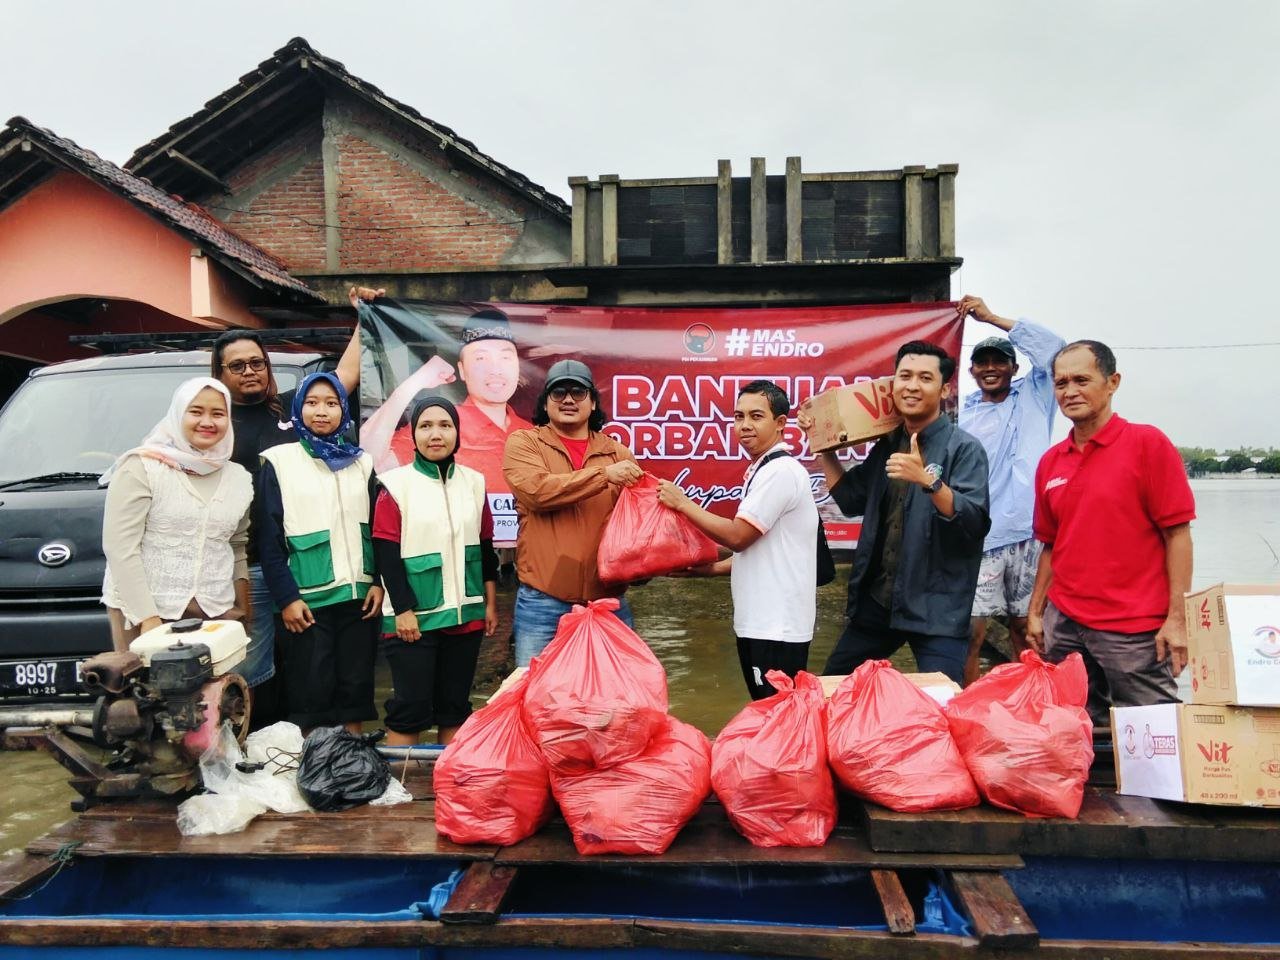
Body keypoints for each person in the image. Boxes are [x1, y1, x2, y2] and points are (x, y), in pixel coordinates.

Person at [801, 341, 990, 685]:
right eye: (904, 376)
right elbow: (850, 498)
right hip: (879, 603)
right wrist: (821, 443)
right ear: (893, 384)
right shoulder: (888, 444)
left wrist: (929, 482)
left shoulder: (964, 448)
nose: (912, 386)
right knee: (832, 689)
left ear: (944, 389)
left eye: (924, 378)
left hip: (936, 608)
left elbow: (973, 522)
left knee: (943, 706)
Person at [1026, 340, 1194, 723]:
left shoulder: (1147, 444)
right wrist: (1036, 612)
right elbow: (1051, 546)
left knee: (1157, 731)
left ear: (1113, 382)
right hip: (1065, 623)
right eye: (1061, 383)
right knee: (1074, 729)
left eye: (1082, 380)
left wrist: (1177, 619)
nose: (1070, 392)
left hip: (1134, 628)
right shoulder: (1051, 462)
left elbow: (1178, 536)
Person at [212, 307, 363, 713]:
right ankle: (246, 755)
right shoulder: (216, 424)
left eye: (257, 363)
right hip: (247, 566)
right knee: (249, 668)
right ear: (220, 374)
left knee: (302, 670)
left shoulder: (293, 412)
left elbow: (344, 378)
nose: (249, 371)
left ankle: (286, 752)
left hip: (299, 566)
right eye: (238, 365)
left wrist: (366, 315)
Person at [656, 380, 818, 700]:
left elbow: (738, 537)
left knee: (776, 718)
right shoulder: (763, 469)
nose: (744, 425)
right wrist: (708, 568)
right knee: (771, 716)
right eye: (738, 416)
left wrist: (683, 503)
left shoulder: (780, 472)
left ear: (781, 423)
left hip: (775, 627)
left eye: (756, 416)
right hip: (761, 622)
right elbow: (758, 551)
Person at [256, 372, 382, 734]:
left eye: (331, 403)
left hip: (360, 597)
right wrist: (288, 599)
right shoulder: (279, 461)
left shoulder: (363, 463)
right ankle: (316, 767)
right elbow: (269, 539)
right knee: (311, 689)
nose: (322, 412)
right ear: (298, 409)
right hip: (307, 602)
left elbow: (378, 529)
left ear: (344, 410)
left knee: (355, 688)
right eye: (312, 403)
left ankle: (352, 765)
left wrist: (378, 582)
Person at [372, 397, 499, 745]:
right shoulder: (395, 486)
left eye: (445, 425)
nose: (436, 434)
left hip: (465, 615)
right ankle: (402, 792)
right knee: (410, 707)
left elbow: (485, 546)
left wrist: (489, 603)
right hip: (414, 619)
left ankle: (444, 788)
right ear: (413, 435)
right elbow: (386, 553)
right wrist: (403, 610)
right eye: (426, 426)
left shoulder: (474, 482)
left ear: (457, 433)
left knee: (454, 706)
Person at [502, 360, 643, 666]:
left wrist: (647, 562)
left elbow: (636, 524)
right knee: (535, 698)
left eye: (578, 392)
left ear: (593, 403)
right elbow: (538, 492)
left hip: (608, 602)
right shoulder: (524, 443)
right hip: (542, 603)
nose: (568, 400)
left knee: (616, 701)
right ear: (545, 403)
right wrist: (604, 476)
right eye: (559, 392)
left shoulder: (617, 453)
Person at [956, 295, 1065, 685]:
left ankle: (1034, 707)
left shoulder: (1036, 395)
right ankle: (967, 708)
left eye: (999, 361)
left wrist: (990, 318)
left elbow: (1055, 348)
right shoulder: (961, 414)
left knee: (1028, 627)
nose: (990, 368)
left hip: (1032, 536)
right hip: (982, 538)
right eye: (982, 362)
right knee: (970, 633)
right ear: (971, 370)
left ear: (1014, 367)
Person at [101, 378, 252, 650]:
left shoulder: (239, 478)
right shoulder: (142, 467)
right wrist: (148, 619)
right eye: (195, 411)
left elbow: (236, 546)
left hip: (215, 614)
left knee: (216, 692)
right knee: (147, 691)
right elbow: (120, 548)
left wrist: (242, 609)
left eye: (218, 414)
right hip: (144, 614)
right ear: (177, 413)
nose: (207, 421)